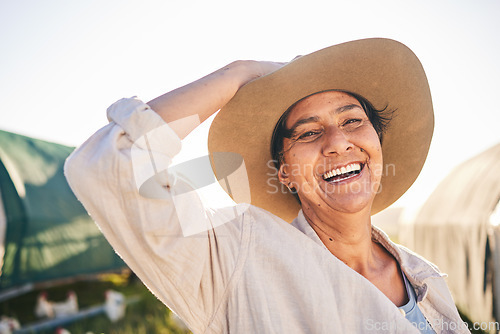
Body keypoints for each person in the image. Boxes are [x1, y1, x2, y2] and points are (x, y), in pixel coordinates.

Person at [65, 38, 470, 333]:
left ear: (377, 142)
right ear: (285, 173)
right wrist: (239, 72)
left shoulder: (423, 276)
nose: (338, 142)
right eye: (309, 133)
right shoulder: (241, 261)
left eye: (352, 121)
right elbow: (110, 165)